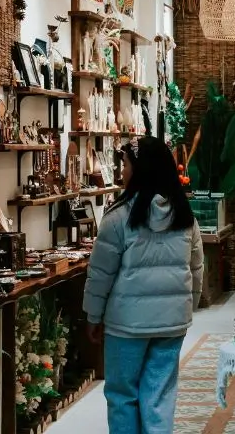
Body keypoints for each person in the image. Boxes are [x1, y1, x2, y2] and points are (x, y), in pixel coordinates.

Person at [83, 136, 204, 433]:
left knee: (123, 395)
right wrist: (187, 308)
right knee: (159, 395)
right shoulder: (185, 216)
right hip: (171, 324)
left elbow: (101, 274)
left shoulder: (118, 218)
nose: (121, 171)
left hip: (126, 325)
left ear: (140, 169)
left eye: (125, 164)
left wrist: (93, 316)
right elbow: (197, 269)